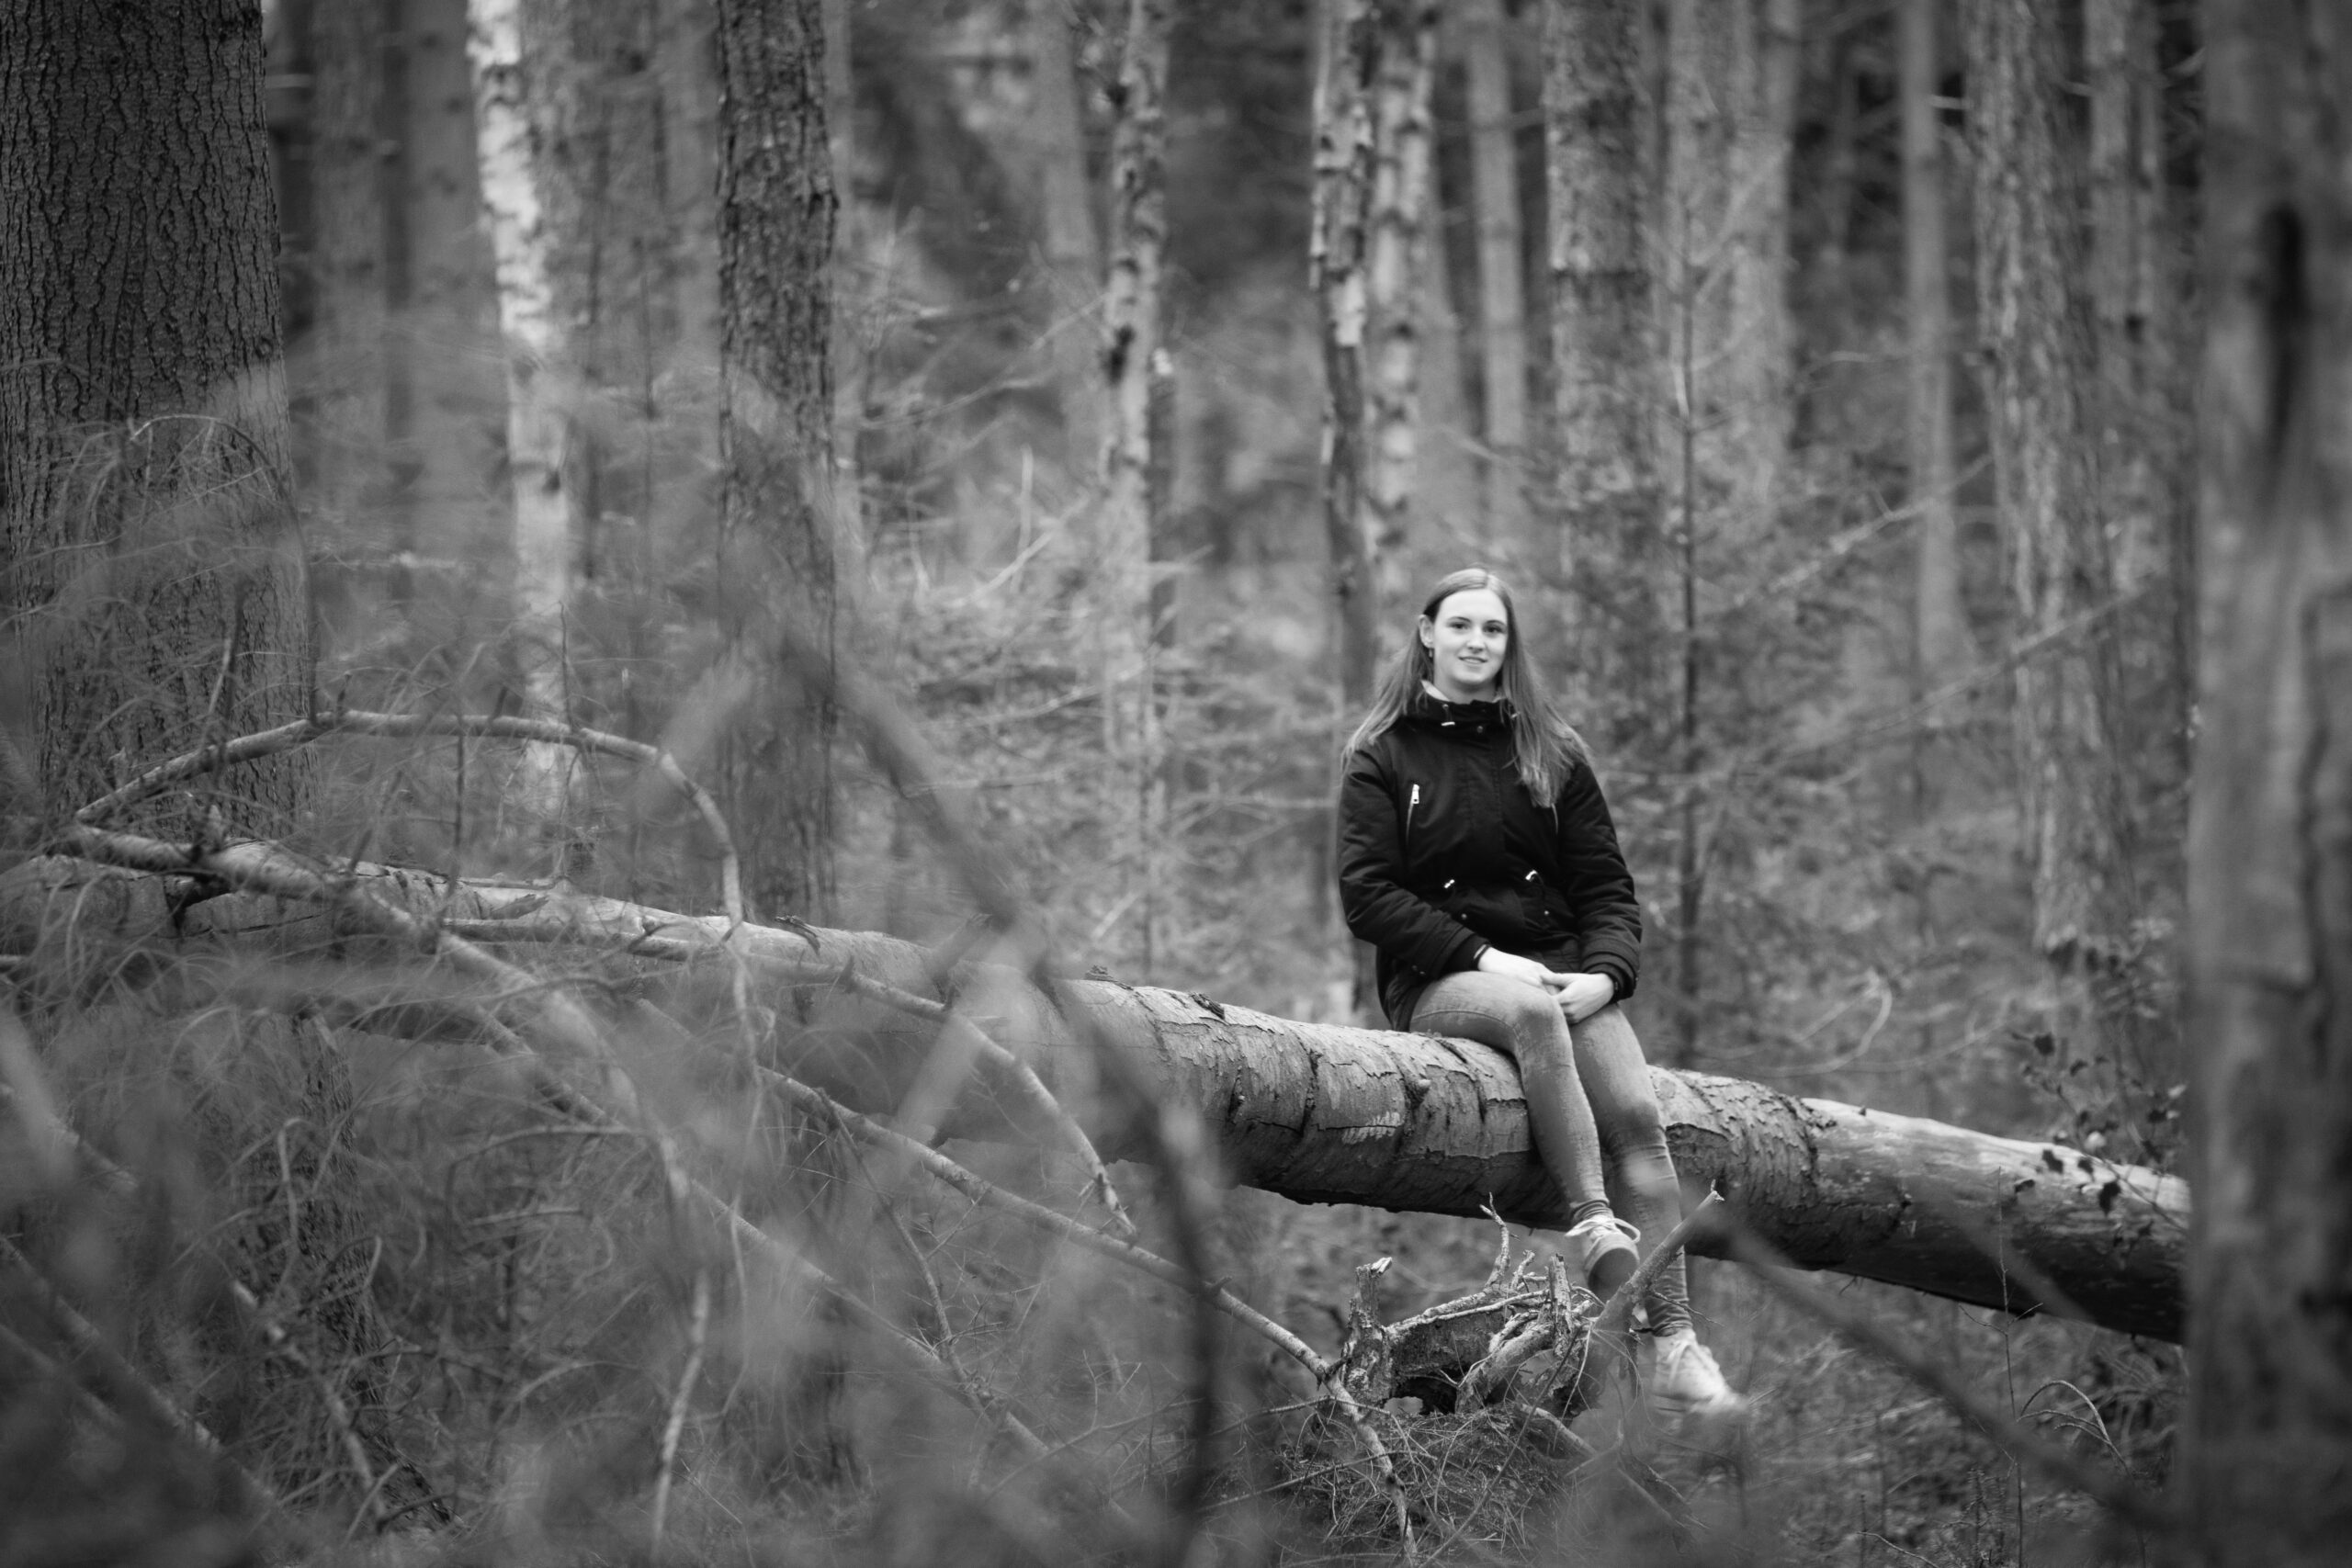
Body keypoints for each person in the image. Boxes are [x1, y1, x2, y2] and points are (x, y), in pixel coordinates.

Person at [1336, 566, 1744, 1420]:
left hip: (1564, 975)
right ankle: (1594, 1220)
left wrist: (1606, 974)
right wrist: (1485, 956)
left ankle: (1674, 1344)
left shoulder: (1551, 749)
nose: (1477, 641)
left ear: (1508, 642)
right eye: (1460, 625)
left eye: (1493, 628)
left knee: (1637, 1111)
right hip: (1443, 977)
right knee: (1526, 1013)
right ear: (1427, 634)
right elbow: (1367, 895)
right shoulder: (1383, 752)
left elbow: (1607, 887)